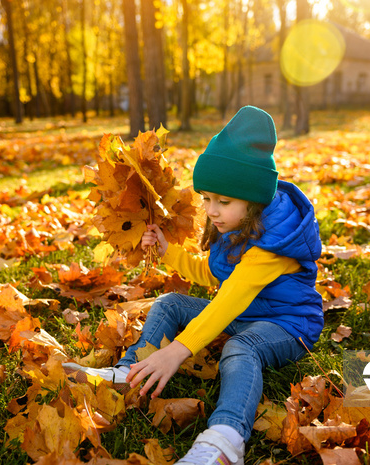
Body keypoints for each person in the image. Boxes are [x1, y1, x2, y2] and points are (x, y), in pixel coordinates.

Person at [64, 105, 323, 465]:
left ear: (254, 201)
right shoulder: (235, 225)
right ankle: (129, 372)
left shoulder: (273, 243)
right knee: (170, 302)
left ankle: (225, 439)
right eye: (207, 198)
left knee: (241, 349)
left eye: (224, 201)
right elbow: (213, 276)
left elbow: (229, 300)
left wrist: (178, 350)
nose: (212, 210)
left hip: (287, 324)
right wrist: (169, 252)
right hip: (246, 312)